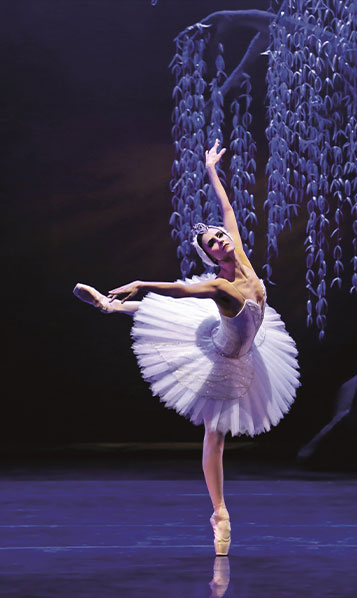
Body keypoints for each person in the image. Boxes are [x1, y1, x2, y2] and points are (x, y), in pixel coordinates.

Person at [73, 140, 300, 556]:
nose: (221, 239)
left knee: (179, 324)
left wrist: (211, 169)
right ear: (212, 257)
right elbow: (180, 290)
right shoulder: (220, 286)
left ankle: (112, 307)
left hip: (247, 348)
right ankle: (220, 513)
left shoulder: (244, 260)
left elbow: (229, 211)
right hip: (223, 355)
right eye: (214, 242)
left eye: (219, 236)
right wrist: (142, 282)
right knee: (214, 438)